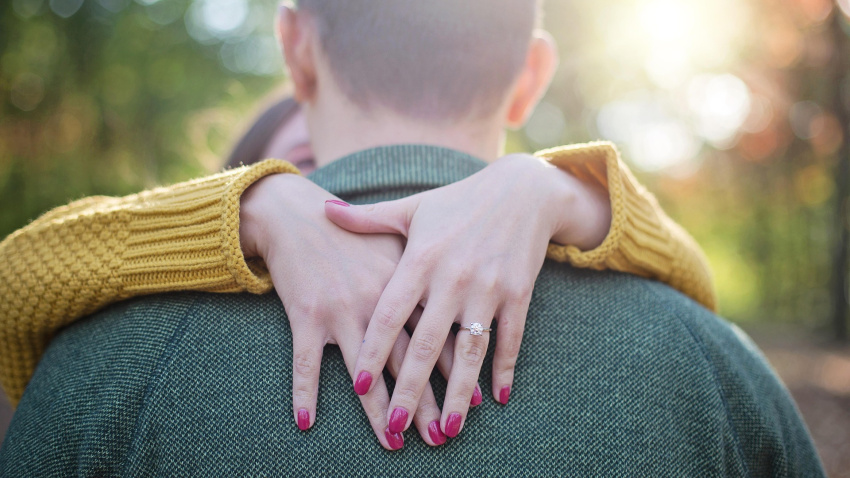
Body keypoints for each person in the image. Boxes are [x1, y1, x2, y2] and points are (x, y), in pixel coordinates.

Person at [2, 0, 823, 473]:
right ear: (529, 77)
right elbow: (701, 297)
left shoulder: (101, 362)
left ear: (296, 47)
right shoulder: (709, 361)